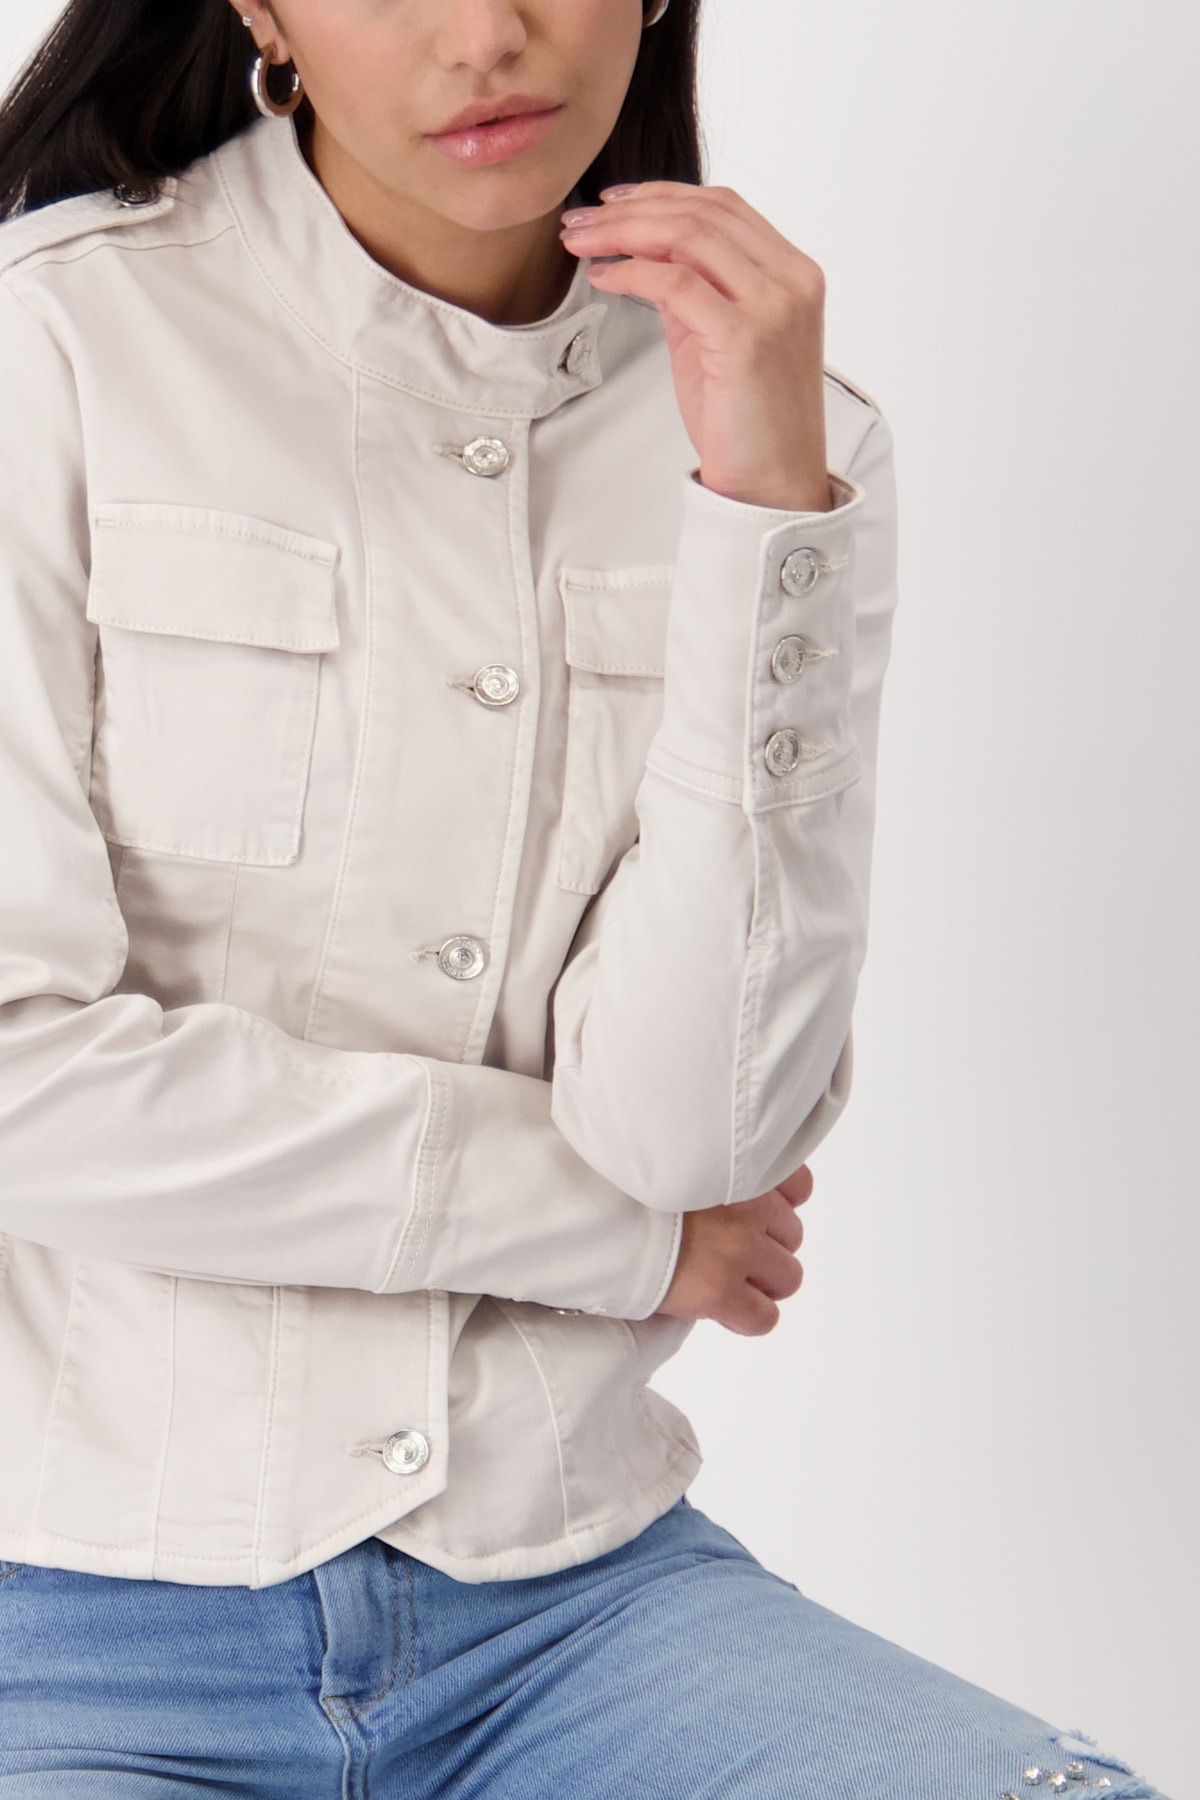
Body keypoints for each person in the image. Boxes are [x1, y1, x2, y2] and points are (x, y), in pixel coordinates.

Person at [0, 2, 1173, 1795]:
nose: (488, 32)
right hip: (58, 1619)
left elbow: (698, 1131)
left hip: (566, 1611)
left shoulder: (791, 437)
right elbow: (19, 1077)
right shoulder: (49, 348)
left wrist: (766, 511)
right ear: (260, 10)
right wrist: (610, 1236)